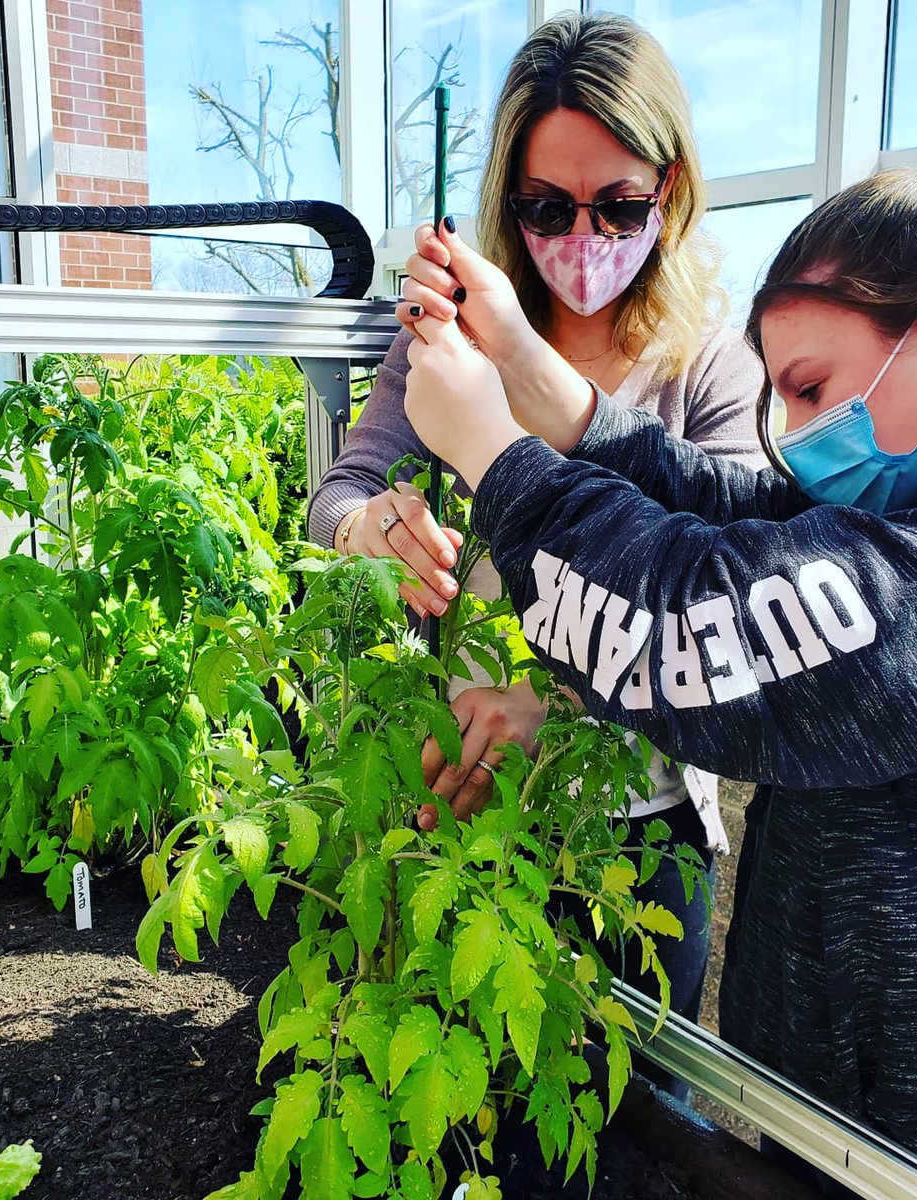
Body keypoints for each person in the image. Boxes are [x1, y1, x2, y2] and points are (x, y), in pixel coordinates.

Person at [396, 150, 917, 1200]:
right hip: (863, 1138)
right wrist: (536, 376)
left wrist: (496, 455)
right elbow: (737, 511)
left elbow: (704, 623)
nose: (796, 442)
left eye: (812, 389)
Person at [306, 11, 766, 1037]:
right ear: (506, 203)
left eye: (620, 206)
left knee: (632, 1132)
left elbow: (732, 610)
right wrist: (371, 528)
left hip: (635, 839)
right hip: (460, 808)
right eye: (548, 207)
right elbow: (338, 493)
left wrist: (552, 714)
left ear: (672, 191)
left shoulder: (709, 370)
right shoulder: (449, 337)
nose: (584, 241)